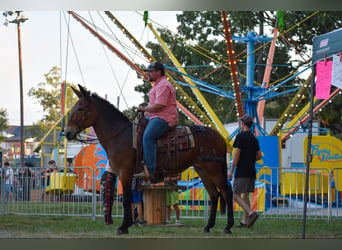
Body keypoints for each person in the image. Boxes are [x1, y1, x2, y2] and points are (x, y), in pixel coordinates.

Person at [134, 62, 178, 181]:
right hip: (155, 116)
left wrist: (144, 109)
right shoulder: (156, 86)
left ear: (159, 72)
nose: (148, 74)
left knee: (148, 137)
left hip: (165, 117)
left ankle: (151, 170)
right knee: (137, 129)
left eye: (150, 71)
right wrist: (145, 113)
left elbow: (159, 106)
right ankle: (140, 163)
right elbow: (153, 106)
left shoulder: (163, 85)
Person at [228, 114, 262, 229]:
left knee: (236, 195)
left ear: (243, 124)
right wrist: (250, 158)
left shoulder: (240, 136)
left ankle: (251, 213)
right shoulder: (254, 139)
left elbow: (237, 154)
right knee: (246, 195)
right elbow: (259, 156)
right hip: (251, 171)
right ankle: (244, 222)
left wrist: (231, 170)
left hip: (242, 171)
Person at [100, 161, 117, 225]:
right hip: (108, 176)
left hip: (111, 176)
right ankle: (108, 221)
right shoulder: (113, 157)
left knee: (110, 199)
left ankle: (109, 220)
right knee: (107, 199)